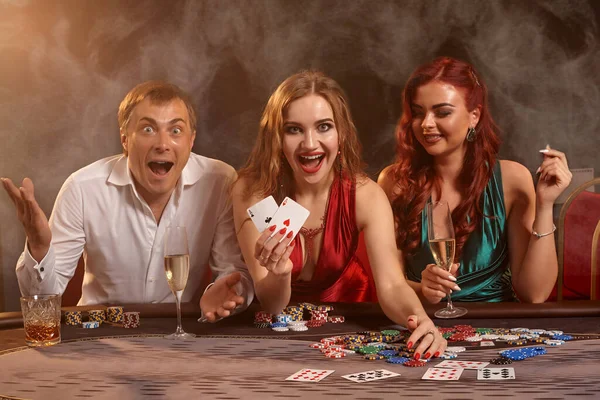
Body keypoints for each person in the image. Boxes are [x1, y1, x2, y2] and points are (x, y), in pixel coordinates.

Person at [232, 71, 446, 359]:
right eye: (294, 129)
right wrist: (280, 274)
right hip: (281, 339)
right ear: (276, 138)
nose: (310, 143)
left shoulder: (365, 195)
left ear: (341, 134)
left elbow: (392, 285)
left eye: (323, 127)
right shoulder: (252, 191)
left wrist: (420, 320)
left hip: (351, 331)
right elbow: (271, 304)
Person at [2, 81, 253, 322]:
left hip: (179, 329)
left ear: (191, 140)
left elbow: (234, 275)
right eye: (148, 129)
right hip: (99, 335)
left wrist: (229, 294)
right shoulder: (82, 188)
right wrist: (38, 249)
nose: (163, 144)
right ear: (125, 139)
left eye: (175, 130)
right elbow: (42, 300)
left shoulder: (220, 181)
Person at [378, 57, 572, 304]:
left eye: (442, 112)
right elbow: (389, 285)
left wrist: (545, 205)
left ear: (474, 116)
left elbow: (534, 293)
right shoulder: (394, 182)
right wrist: (421, 290)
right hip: (426, 325)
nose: (426, 124)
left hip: (499, 328)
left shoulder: (512, 179)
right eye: (418, 113)